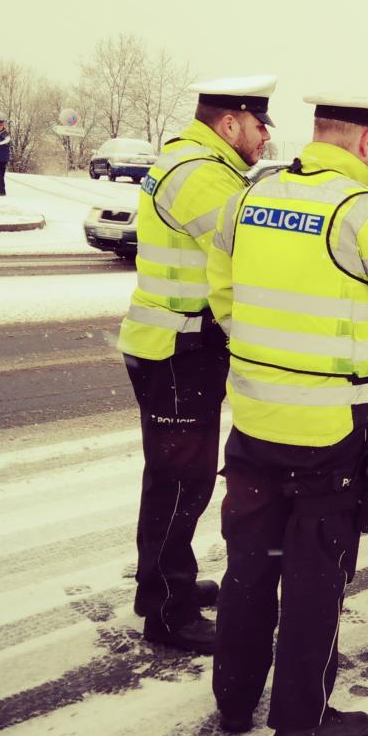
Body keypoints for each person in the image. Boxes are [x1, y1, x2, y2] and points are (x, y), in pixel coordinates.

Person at [208, 91, 368, 736]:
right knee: (316, 575)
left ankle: (235, 699)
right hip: (332, 430)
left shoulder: (250, 198)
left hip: (252, 418)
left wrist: (259, 352)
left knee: (249, 563)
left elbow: (222, 289)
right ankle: (302, 722)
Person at [116, 74, 277, 653]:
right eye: (260, 127)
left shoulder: (196, 164)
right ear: (230, 123)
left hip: (175, 346)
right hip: (178, 352)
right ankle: (167, 611)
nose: (265, 139)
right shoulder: (200, 175)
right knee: (179, 485)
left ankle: (161, 583)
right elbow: (252, 246)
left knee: (173, 480)